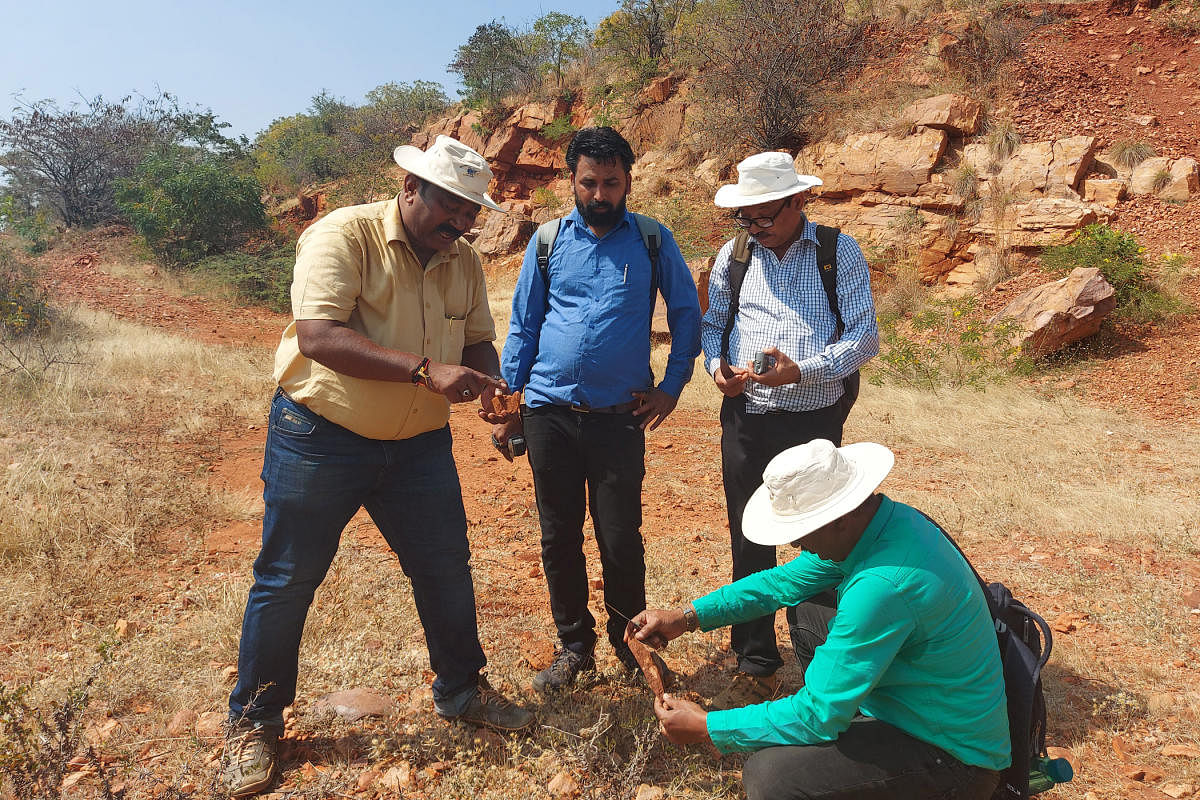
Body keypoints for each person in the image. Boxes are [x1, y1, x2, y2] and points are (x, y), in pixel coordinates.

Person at [222, 135, 534, 798]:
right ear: (409, 187)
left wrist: (497, 393)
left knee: (444, 568)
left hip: (418, 447)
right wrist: (426, 371)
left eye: (470, 210)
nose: (459, 221)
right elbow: (319, 336)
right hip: (320, 435)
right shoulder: (343, 236)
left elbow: (476, 334)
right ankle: (254, 725)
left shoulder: (461, 260)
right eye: (449, 204)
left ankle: (461, 690)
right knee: (286, 580)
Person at [627, 439, 1011, 800]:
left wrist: (708, 727)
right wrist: (685, 617)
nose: (796, 545)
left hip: (955, 759)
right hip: (922, 704)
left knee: (770, 778)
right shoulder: (885, 524)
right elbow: (779, 583)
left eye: (799, 533)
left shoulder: (881, 586)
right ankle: (851, 713)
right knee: (807, 608)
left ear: (840, 517)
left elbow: (817, 716)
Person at [489, 126, 701, 692]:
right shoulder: (547, 242)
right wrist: (510, 403)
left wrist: (672, 387)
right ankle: (573, 645)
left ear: (629, 180)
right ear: (571, 182)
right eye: (589, 183)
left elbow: (686, 316)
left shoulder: (654, 241)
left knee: (620, 534)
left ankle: (631, 643)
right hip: (548, 413)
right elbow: (525, 325)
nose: (600, 194)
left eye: (611, 182)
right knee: (559, 534)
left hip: (617, 419)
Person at [700, 151, 880, 707]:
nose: (754, 228)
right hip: (748, 418)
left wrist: (801, 370)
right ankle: (754, 658)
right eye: (745, 218)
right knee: (750, 534)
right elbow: (713, 325)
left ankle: (821, 657)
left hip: (816, 418)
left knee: (824, 539)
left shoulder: (837, 251)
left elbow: (864, 339)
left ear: (799, 202)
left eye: (765, 217)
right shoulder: (733, 256)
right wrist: (719, 369)